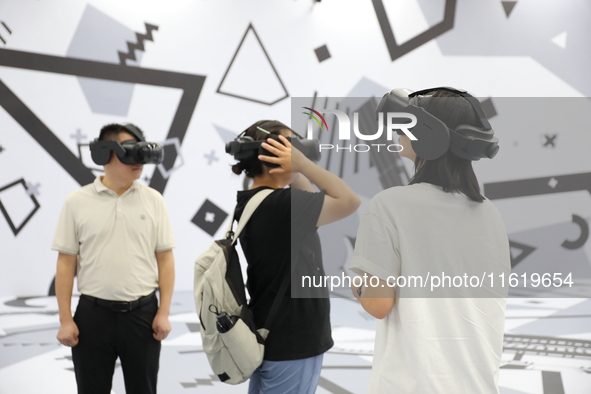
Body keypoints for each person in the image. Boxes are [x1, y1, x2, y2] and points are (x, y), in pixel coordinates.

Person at [348, 88, 511, 393]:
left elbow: (378, 303)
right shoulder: (490, 214)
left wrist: (355, 283)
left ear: (429, 134)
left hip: (411, 384)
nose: (399, 131)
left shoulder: (389, 205)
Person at [230, 120, 360, 394]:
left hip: (269, 330)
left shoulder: (253, 201)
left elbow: (311, 205)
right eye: (291, 147)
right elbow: (349, 202)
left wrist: (294, 170)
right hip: (295, 336)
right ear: (272, 155)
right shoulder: (284, 206)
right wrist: (304, 165)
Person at [52, 123, 175, 394]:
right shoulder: (77, 201)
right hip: (92, 317)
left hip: (142, 316)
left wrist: (163, 312)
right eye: (131, 152)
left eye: (142, 152)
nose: (139, 162)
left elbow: (165, 259)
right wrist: (65, 319)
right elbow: (66, 262)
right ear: (105, 153)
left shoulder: (154, 200)